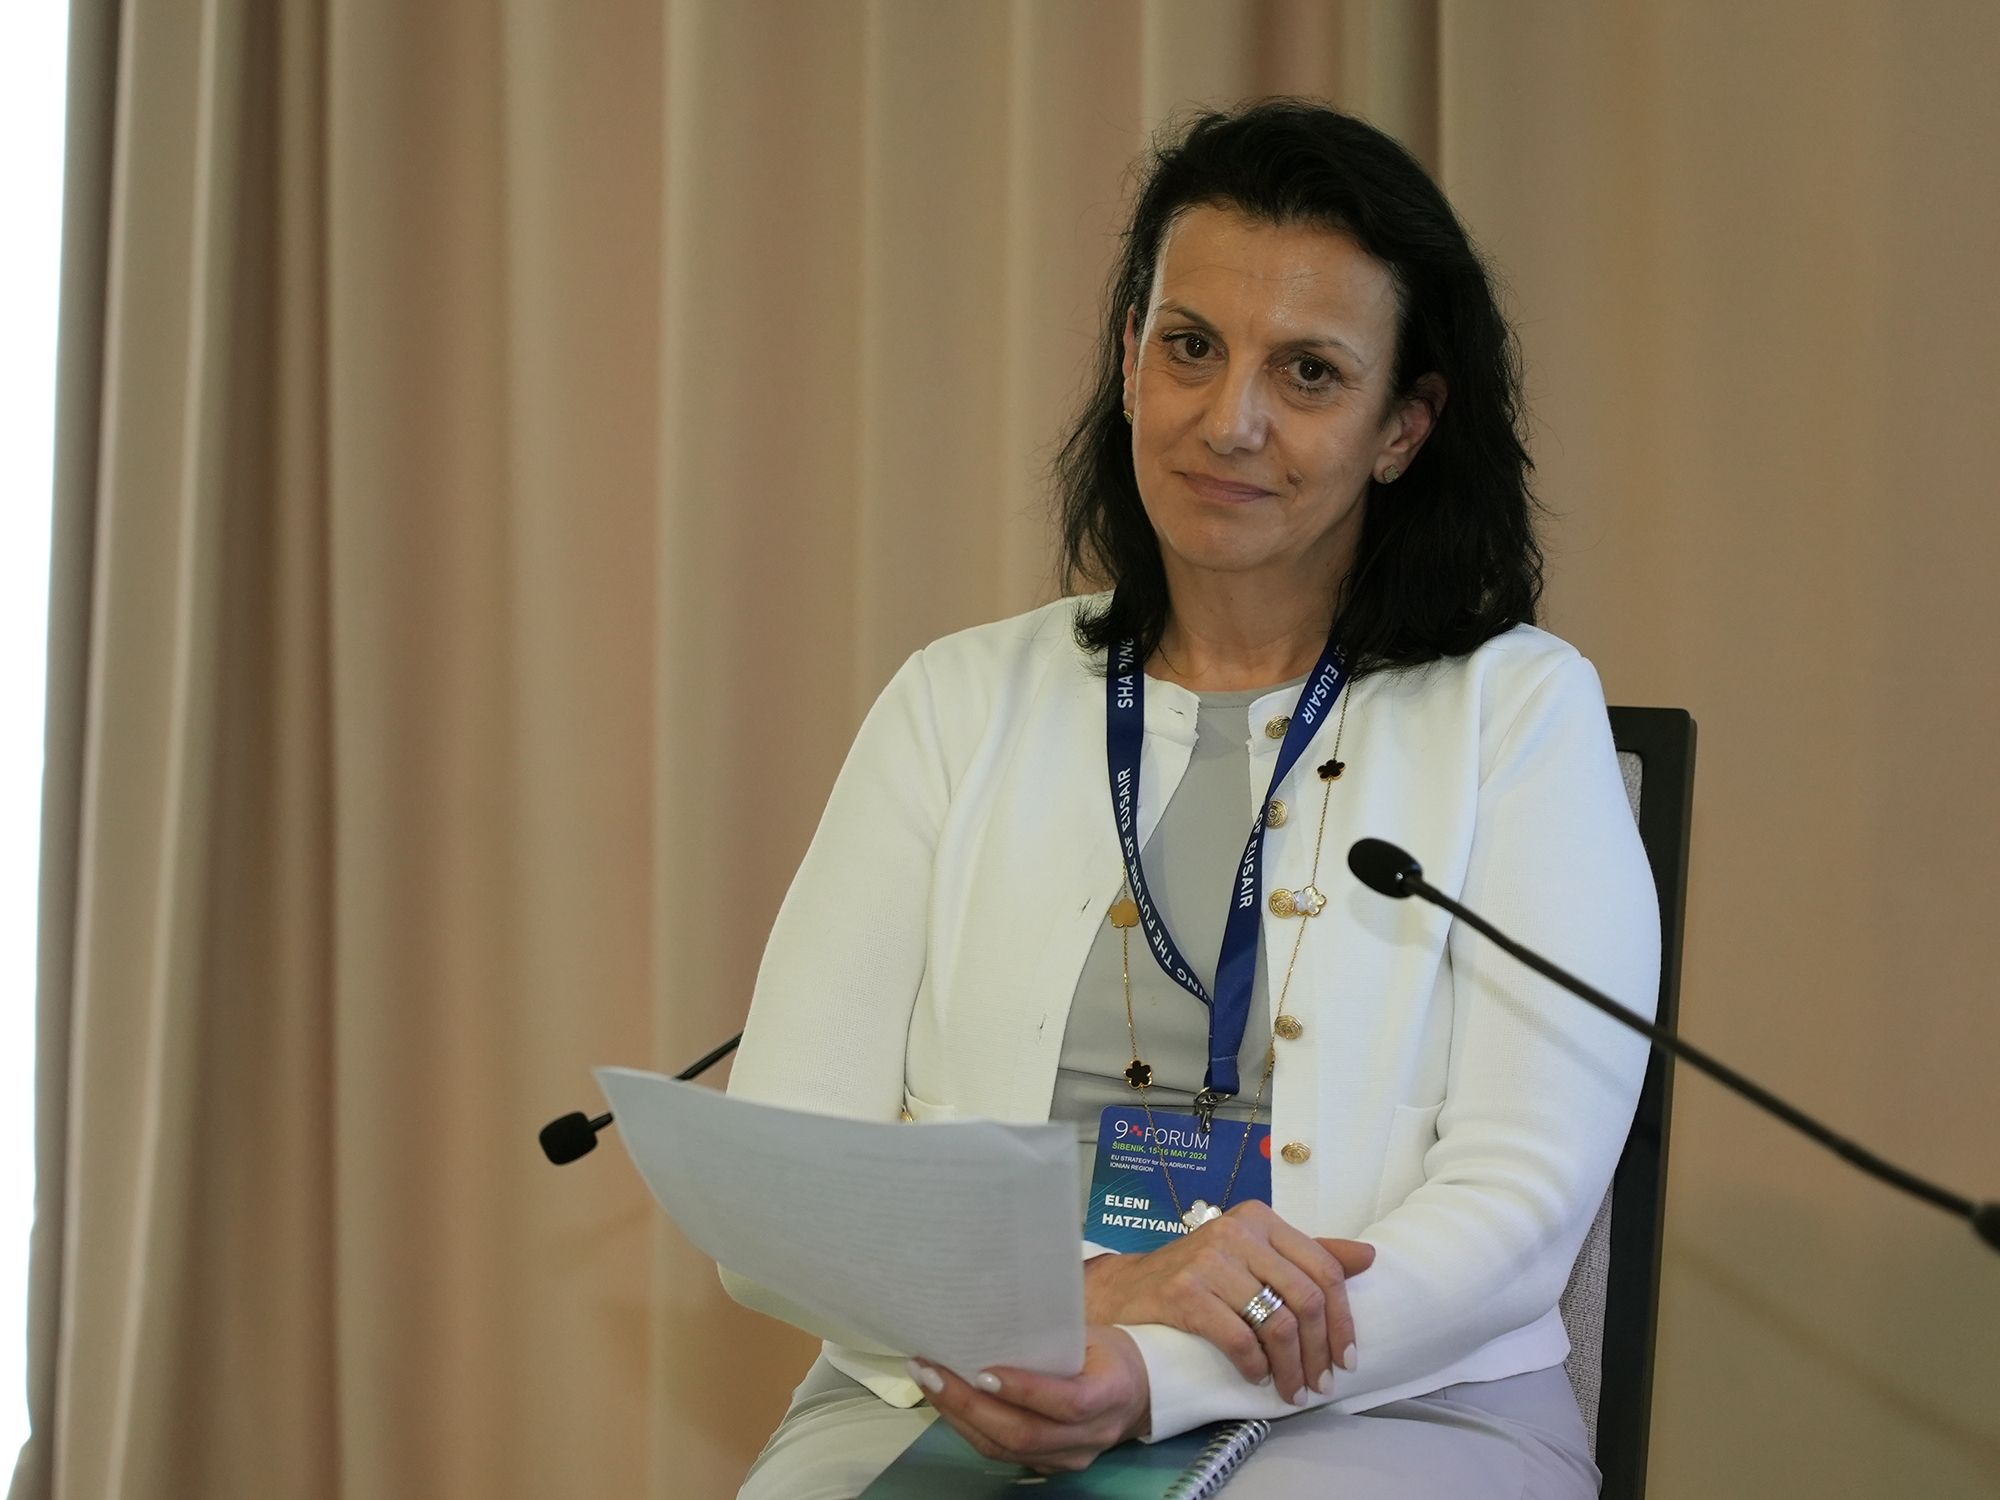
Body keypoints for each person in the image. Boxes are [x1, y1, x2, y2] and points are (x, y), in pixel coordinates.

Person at [725, 100, 1658, 1500]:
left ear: (1403, 427)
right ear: (1128, 360)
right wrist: (1079, 1305)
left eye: (1310, 372)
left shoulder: (1516, 711)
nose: (1232, 421)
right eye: (1192, 347)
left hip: (1383, 1396)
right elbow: (786, 1177)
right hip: (964, 1374)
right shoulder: (954, 700)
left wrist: (1155, 1372)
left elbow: (1521, 1208)